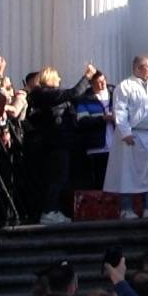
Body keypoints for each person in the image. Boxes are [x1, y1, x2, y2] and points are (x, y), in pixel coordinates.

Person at [26, 64, 96, 224]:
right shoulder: (45, 94)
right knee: (58, 178)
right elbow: (73, 92)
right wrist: (87, 77)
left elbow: (73, 97)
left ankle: (54, 209)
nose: (59, 78)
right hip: (56, 142)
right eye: (57, 76)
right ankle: (48, 211)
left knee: (60, 178)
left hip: (61, 141)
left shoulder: (50, 95)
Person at [104, 56, 148, 219]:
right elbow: (120, 110)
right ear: (138, 68)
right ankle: (126, 209)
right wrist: (125, 132)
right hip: (132, 135)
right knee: (128, 173)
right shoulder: (125, 86)